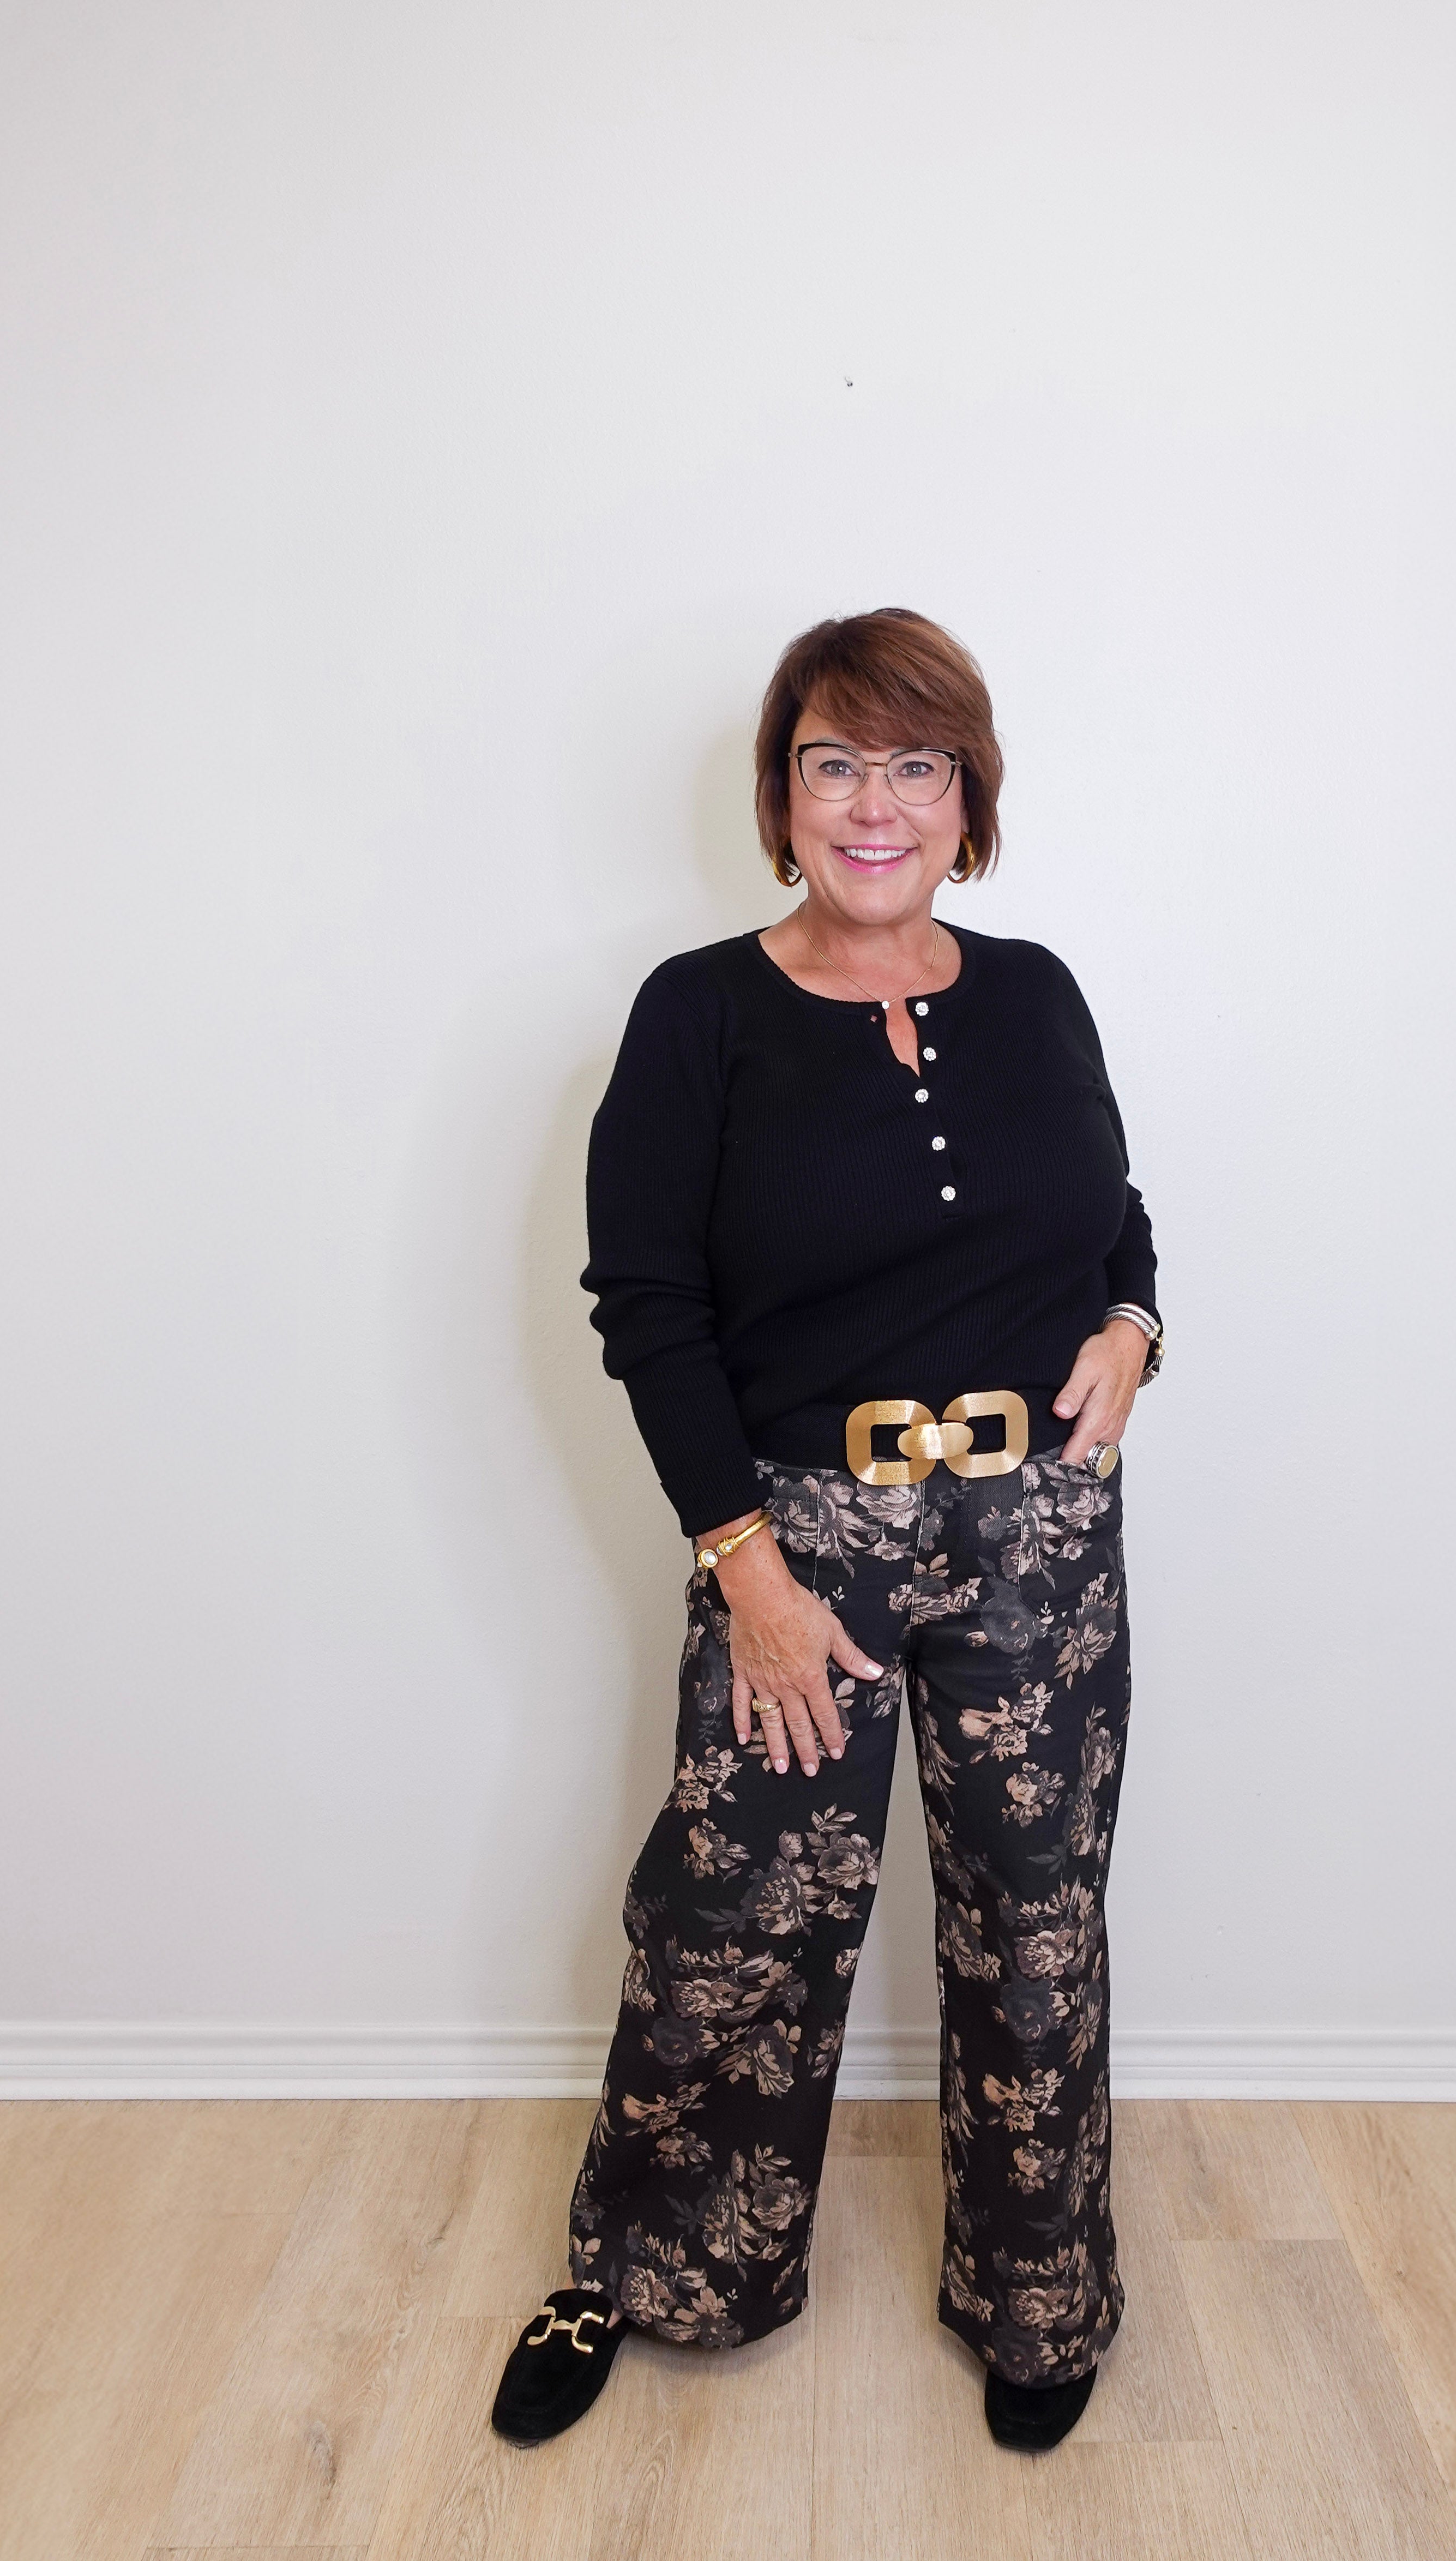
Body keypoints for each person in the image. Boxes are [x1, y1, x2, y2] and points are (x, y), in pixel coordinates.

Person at [491, 608, 1163, 2455]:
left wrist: (1131, 1329)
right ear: (785, 797)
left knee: (1036, 1927)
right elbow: (648, 1304)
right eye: (835, 763)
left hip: (1039, 1536)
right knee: (736, 1922)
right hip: (797, 1542)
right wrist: (751, 1574)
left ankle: (1040, 2298)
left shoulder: (1032, 993)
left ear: (970, 797)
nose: (876, 803)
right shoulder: (697, 1012)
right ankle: (651, 2273)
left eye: (915, 765)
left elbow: (1114, 1217)